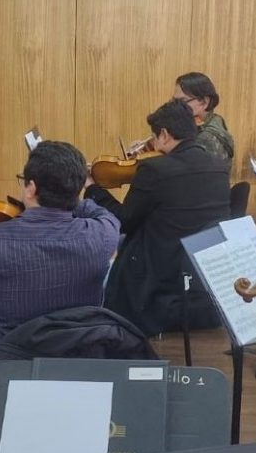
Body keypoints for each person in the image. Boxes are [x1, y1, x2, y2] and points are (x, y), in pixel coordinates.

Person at [0, 141, 120, 453]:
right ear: (78, 188)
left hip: (9, 369)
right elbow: (102, 212)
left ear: (31, 187)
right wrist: (68, 200)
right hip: (78, 366)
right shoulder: (100, 237)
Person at [85, 100, 231, 336]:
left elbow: (124, 220)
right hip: (199, 276)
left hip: (157, 275)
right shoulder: (219, 167)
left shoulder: (155, 170)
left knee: (108, 262)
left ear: (164, 134)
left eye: (154, 136)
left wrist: (92, 188)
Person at [172, 72, 234, 163]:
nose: (175, 107)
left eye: (182, 101)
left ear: (204, 102)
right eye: (174, 101)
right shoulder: (215, 119)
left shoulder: (206, 138)